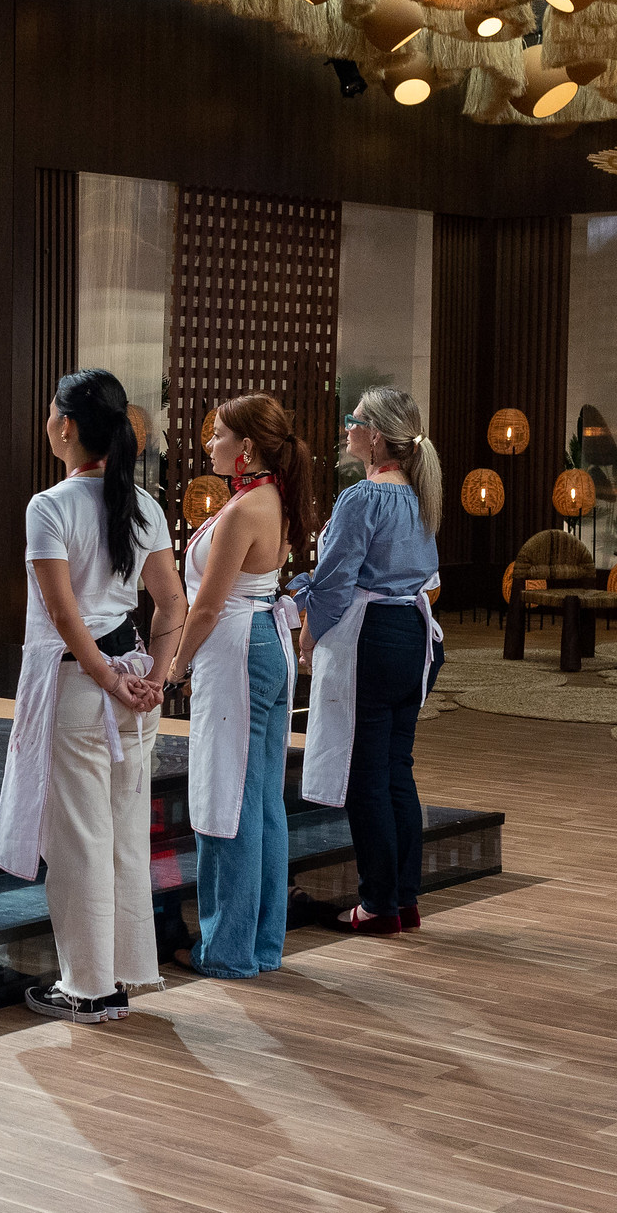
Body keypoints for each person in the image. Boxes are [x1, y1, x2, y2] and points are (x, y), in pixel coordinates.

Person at [0, 370, 187, 1024]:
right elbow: (171, 603)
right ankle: (122, 974)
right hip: (133, 685)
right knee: (125, 836)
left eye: (53, 411)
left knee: (79, 841)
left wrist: (107, 677)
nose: (49, 420)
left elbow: (61, 614)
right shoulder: (144, 505)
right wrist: (157, 677)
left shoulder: (49, 506)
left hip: (85, 687)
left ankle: (88, 988)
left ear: (67, 426)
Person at [165, 394, 314, 978]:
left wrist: (175, 668)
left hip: (238, 649)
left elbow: (205, 608)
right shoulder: (271, 498)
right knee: (264, 800)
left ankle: (227, 951)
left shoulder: (245, 509)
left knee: (228, 797)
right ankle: (261, 945)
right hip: (267, 645)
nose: (209, 444)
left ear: (246, 447)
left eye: (219, 434)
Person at [289, 387, 443, 937]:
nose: (345, 427)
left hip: (371, 637)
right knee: (397, 769)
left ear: (375, 435)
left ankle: (378, 904)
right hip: (413, 635)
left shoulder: (362, 497)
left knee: (366, 777)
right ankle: (403, 899)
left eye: (352, 419)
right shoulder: (420, 494)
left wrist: (308, 637)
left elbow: (334, 585)